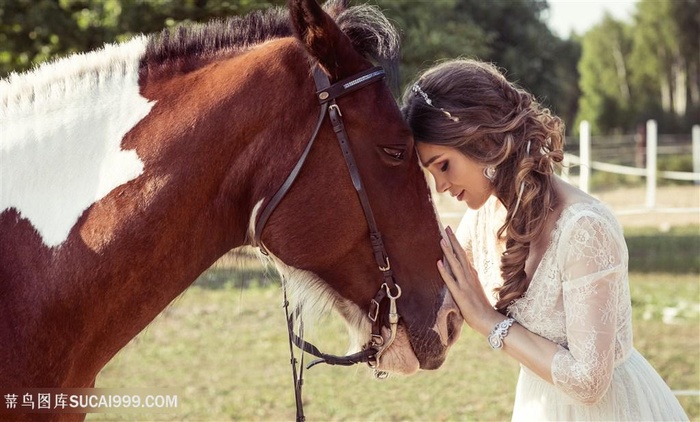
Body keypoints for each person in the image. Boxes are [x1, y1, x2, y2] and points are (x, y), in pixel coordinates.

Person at [402, 58, 689, 421]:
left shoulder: (584, 229)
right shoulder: (480, 218)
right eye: (430, 173)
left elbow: (589, 382)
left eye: (443, 165)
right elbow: (436, 293)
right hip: (538, 406)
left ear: (483, 141)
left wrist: (488, 322)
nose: (440, 187)